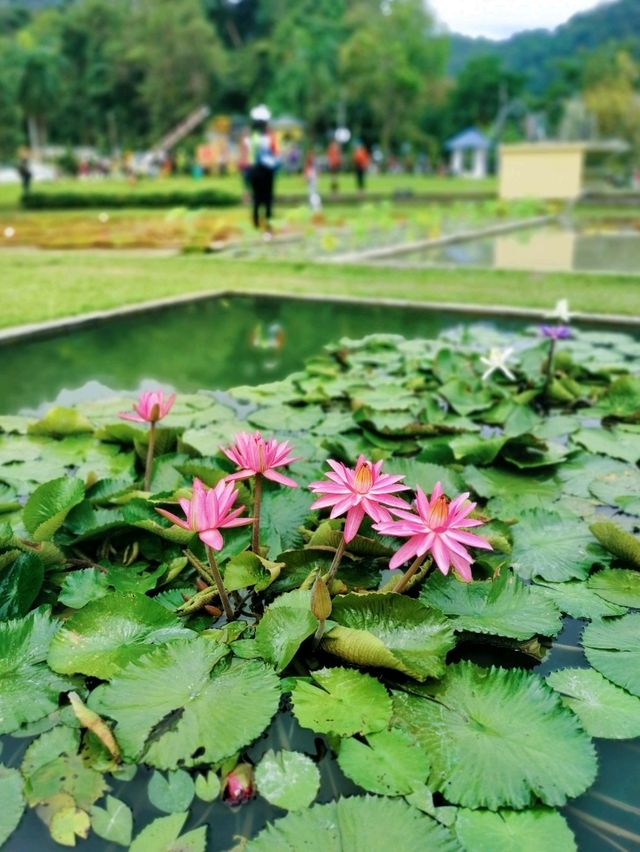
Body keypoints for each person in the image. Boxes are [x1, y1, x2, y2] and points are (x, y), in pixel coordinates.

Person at [248, 104, 279, 232]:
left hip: (254, 170)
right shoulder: (269, 137)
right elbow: (275, 153)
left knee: (256, 197)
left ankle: (256, 221)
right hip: (266, 170)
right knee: (267, 197)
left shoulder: (251, 137)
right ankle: (267, 221)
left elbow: (250, 156)